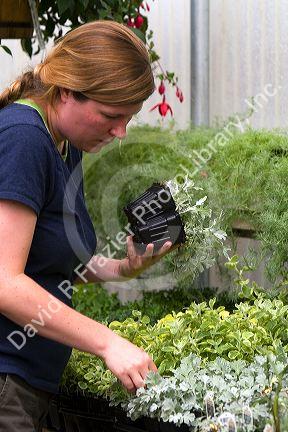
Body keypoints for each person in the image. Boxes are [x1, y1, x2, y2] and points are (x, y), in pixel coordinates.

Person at [0, 20, 173, 431]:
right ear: (66, 92)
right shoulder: (23, 139)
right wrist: (108, 342)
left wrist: (122, 268)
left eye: (127, 118)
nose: (120, 132)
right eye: (111, 116)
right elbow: (6, 282)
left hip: (28, 381)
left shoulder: (63, 144)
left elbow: (49, 263)